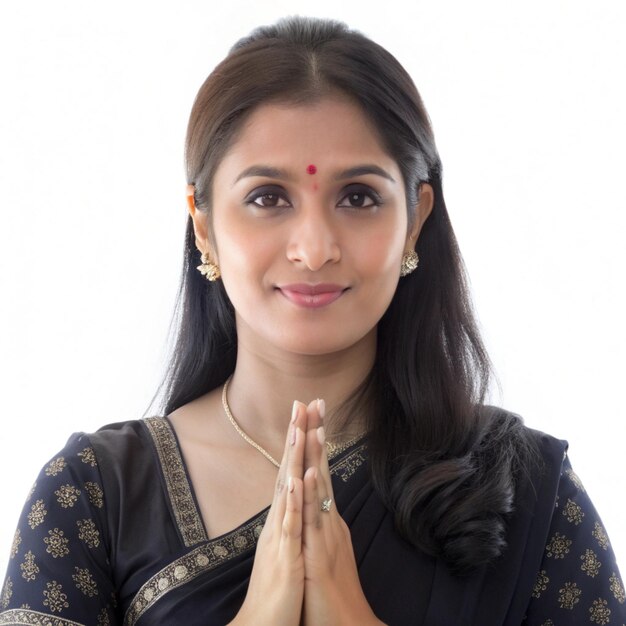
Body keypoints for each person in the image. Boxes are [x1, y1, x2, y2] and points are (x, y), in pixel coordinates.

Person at [1, 15, 624, 626]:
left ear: (416, 218)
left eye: (358, 197)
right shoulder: (93, 496)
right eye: (268, 198)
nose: (314, 247)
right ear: (203, 225)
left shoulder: (524, 491)